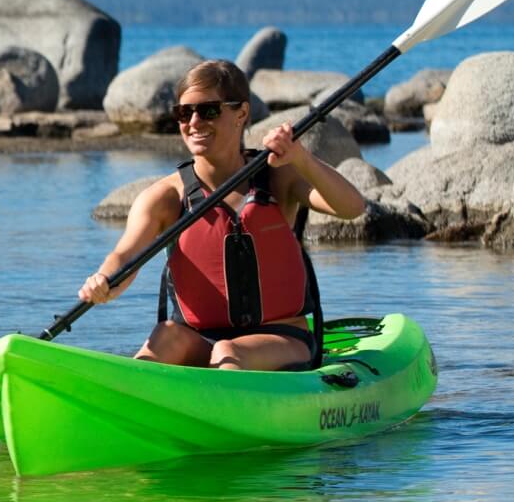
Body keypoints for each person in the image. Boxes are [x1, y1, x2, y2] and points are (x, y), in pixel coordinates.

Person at [77, 58, 365, 370]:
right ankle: (130, 397)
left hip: (282, 340)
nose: (194, 122)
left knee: (229, 352)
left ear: (241, 113)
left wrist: (301, 158)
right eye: (184, 113)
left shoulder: (278, 178)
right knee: (166, 336)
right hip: (199, 339)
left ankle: (218, 405)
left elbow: (352, 208)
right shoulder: (165, 197)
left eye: (208, 110)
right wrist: (104, 281)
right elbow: (124, 255)